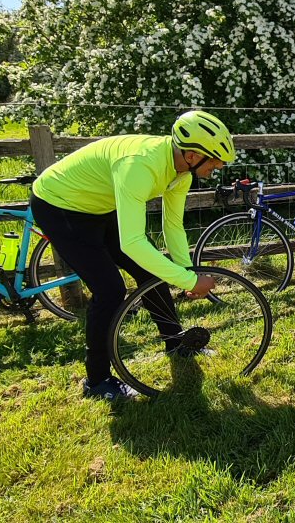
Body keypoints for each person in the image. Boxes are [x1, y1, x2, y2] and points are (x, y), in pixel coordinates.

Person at [30, 110, 235, 401]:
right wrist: (189, 281)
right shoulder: (140, 165)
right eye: (215, 159)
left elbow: (173, 225)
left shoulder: (181, 172)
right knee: (109, 290)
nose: (221, 165)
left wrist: (188, 271)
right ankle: (98, 381)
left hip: (98, 204)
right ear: (191, 155)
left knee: (152, 272)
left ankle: (176, 343)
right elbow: (133, 244)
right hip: (60, 205)